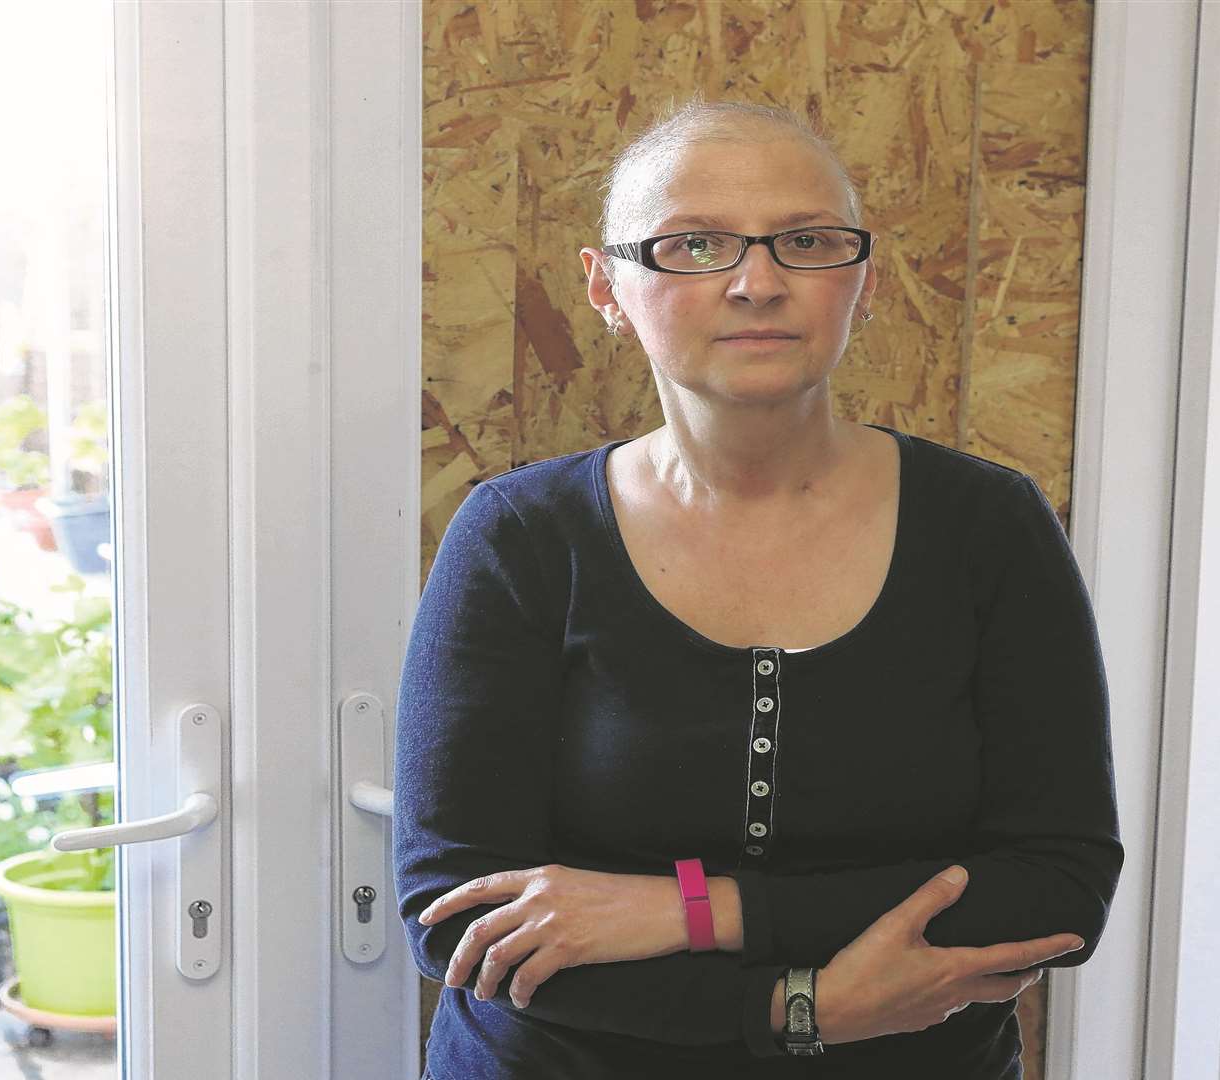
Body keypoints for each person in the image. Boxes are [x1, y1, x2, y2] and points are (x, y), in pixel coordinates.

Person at [393, 99, 1122, 1078]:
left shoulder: (989, 528)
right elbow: (467, 920)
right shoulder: (520, 540)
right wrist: (800, 1007)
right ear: (606, 285)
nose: (757, 282)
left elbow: (1057, 889)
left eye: (808, 241)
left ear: (860, 277)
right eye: (693, 244)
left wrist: (688, 908)